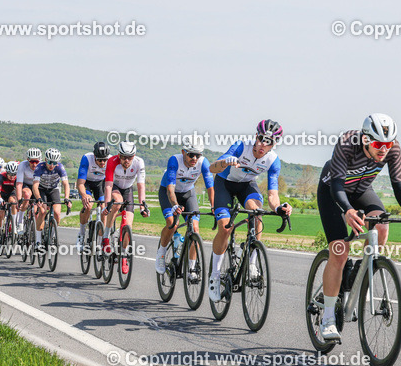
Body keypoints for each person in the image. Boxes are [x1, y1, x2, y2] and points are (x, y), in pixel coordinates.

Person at [317, 114, 401, 342]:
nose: (383, 149)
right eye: (378, 144)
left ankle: (356, 276)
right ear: (365, 139)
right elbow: (337, 185)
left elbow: (399, 185)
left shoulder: (392, 148)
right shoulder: (348, 142)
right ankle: (327, 318)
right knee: (339, 251)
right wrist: (348, 210)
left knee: (381, 227)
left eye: (388, 144)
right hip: (333, 192)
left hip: (361, 190)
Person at [207, 120, 292, 303]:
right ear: (256, 136)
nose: (262, 145)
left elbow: (272, 195)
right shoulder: (241, 146)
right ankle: (214, 275)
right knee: (225, 228)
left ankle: (252, 263)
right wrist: (225, 162)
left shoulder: (273, 161)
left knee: (257, 213)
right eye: (261, 139)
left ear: (274, 144)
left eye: (269, 142)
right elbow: (211, 168)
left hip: (246, 186)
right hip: (224, 184)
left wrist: (279, 208)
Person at [156, 135, 214, 282]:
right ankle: (161, 253)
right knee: (172, 223)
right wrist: (175, 204)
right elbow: (170, 188)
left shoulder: (203, 162)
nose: (194, 158)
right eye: (191, 154)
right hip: (169, 194)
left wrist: (214, 206)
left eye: (198, 155)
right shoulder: (174, 161)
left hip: (188, 194)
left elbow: (210, 187)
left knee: (195, 228)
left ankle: (192, 268)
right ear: (183, 152)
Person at [102, 141, 149, 253]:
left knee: (128, 225)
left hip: (128, 189)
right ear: (119, 155)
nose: (127, 160)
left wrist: (142, 206)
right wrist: (107, 204)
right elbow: (108, 185)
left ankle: (123, 254)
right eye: (123, 157)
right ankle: (106, 236)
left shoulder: (139, 163)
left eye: (130, 157)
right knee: (118, 202)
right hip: (114, 186)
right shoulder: (112, 161)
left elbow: (141, 185)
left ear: (134, 156)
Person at [32, 148, 70, 253]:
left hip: (53, 189)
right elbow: (35, 186)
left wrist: (67, 198)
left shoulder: (60, 167)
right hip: (41, 189)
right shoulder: (40, 167)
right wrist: (38, 198)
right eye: (49, 162)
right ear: (45, 160)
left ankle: (52, 236)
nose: (51, 165)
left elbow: (65, 184)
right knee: (42, 211)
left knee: (57, 213)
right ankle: (38, 241)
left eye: (54, 163)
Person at [76, 142, 109, 249]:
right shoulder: (87, 158)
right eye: (99, 160)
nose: (102, 162)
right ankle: (81, 234)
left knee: (104, 208)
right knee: (88, 205)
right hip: (87, 183)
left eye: (105, 160)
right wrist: (84, 195)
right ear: (94, 156)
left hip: (101, 184)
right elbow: (80, 183)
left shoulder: (111, 160)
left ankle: (101, 240)